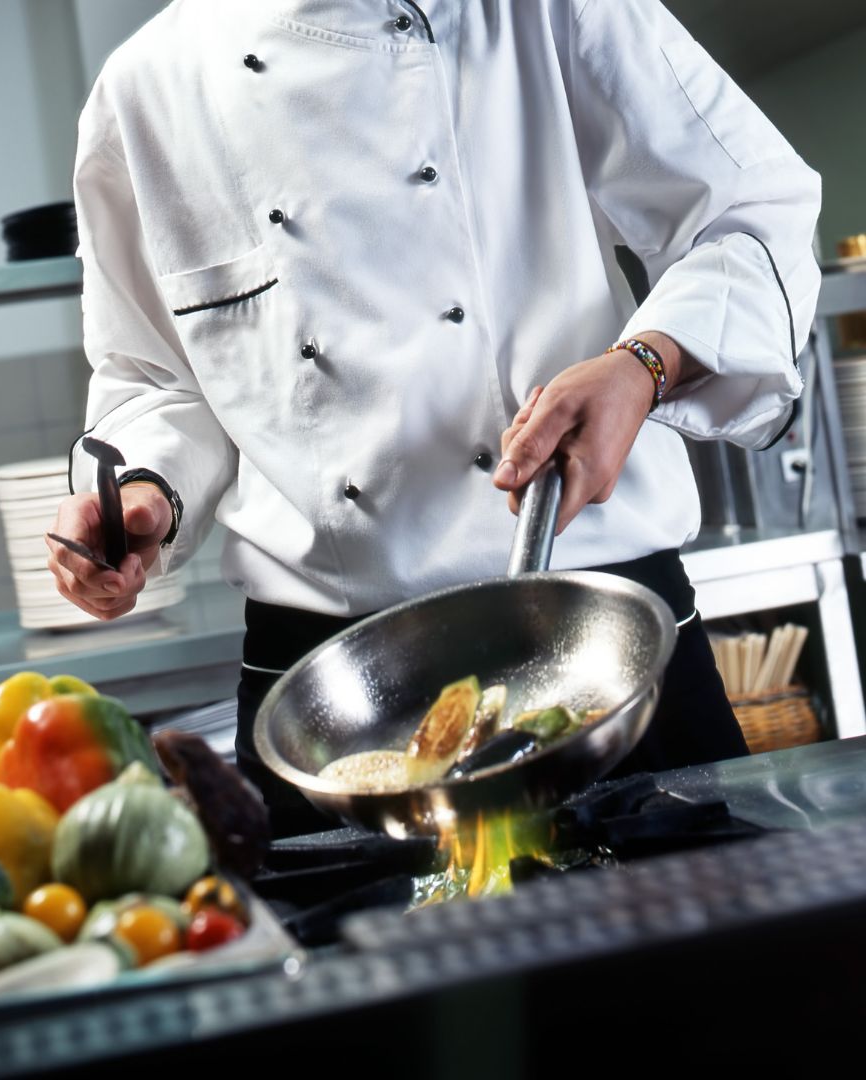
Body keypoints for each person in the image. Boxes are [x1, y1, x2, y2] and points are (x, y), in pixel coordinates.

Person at [47, 0, 822, 823]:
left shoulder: (539, 13)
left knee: (696, 948)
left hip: (594, 632)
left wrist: (642, 366)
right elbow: (155, 378)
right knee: (351, 956)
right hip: (331, 688)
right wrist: (144, 490)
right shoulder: (150, 85)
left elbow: (751, 213)